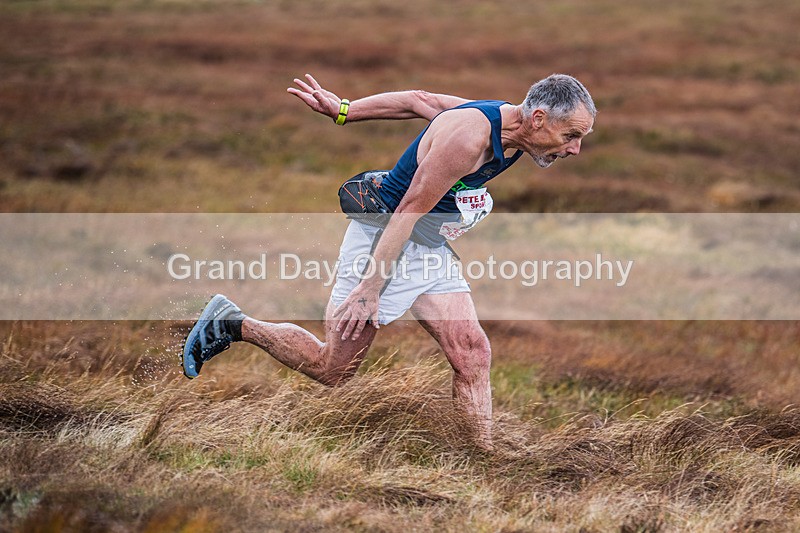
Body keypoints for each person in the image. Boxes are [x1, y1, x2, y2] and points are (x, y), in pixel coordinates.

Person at [181, 73, 596, 448]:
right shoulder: (467, 141)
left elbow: (419, 100)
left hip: (426, 246)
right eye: (571, 136)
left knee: (472, 351)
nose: (575, 149)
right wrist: (369, 288)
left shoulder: (506, 122)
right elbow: (409, 209)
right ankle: (233, 323)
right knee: (334, 369)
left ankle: (480, 460)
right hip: (384, 240)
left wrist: (344, 110)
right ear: (538, 118)